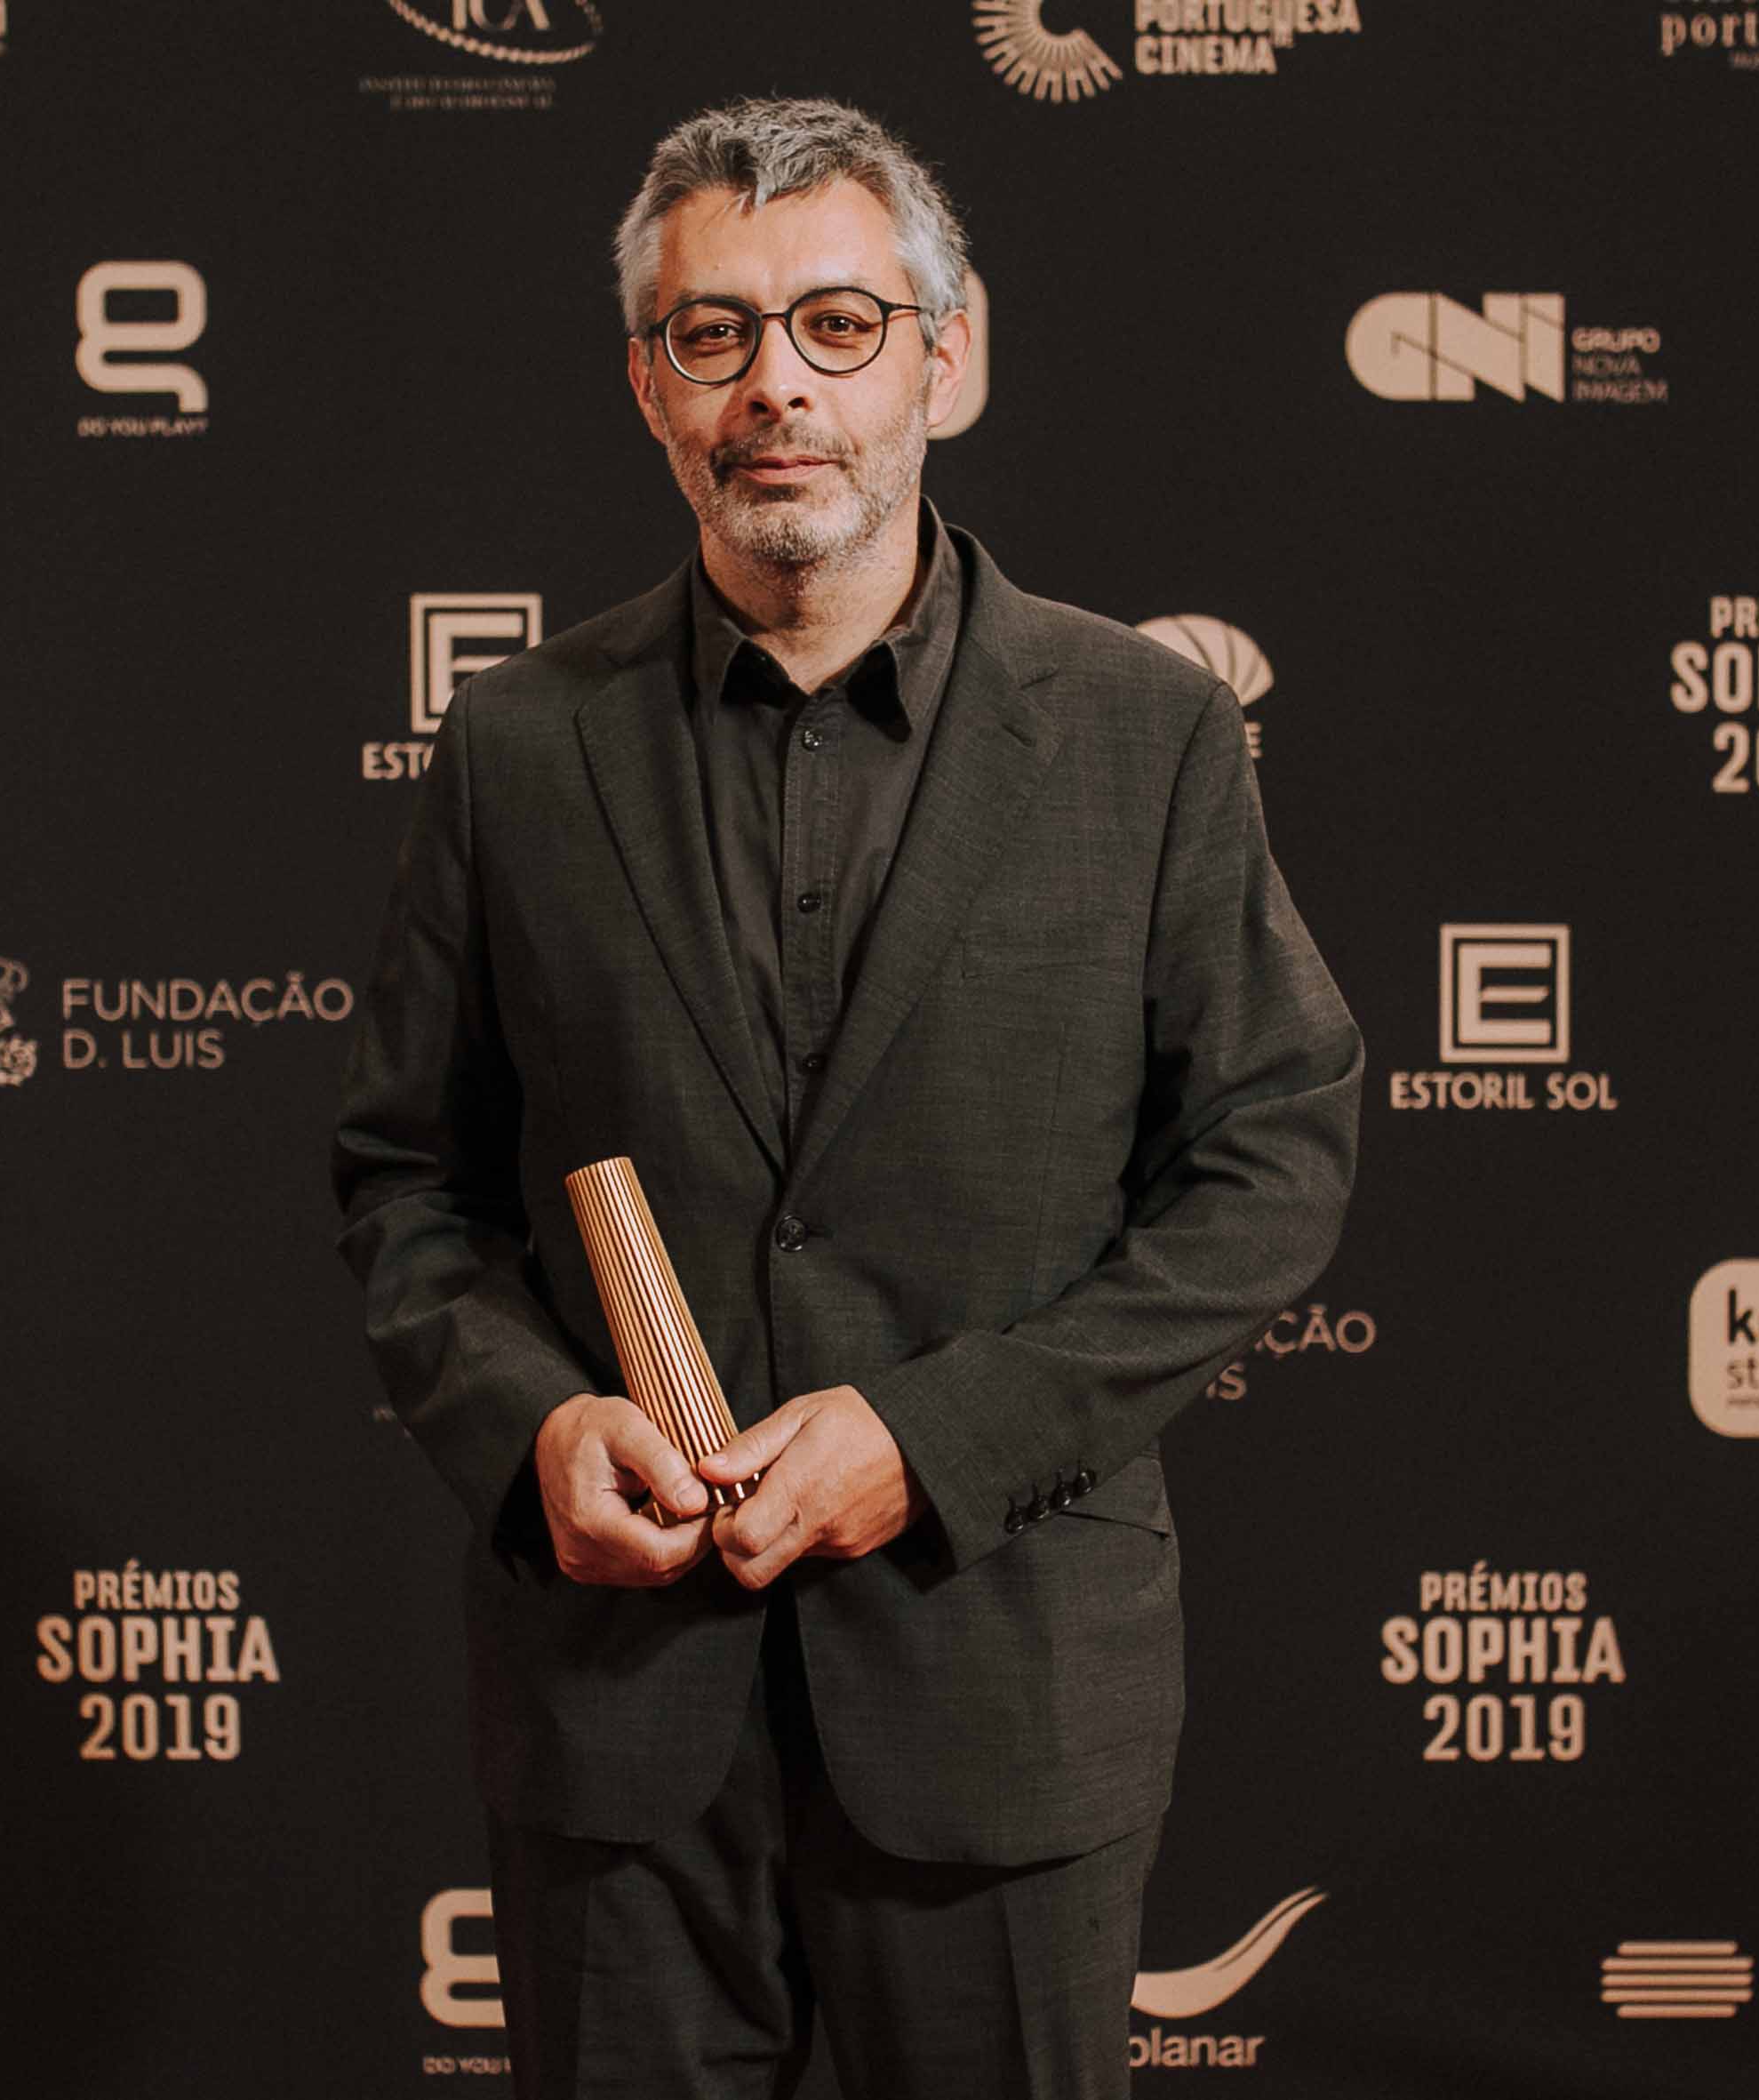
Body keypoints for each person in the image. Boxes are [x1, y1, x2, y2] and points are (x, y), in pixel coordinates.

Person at [333, 95, 1362, 2099]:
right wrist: (534, 1430)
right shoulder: (518, 745)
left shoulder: (1143, 732)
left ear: (944, 358)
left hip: (1001, 1694)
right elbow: (406, 1178)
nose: (775, 387)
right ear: (650, 384)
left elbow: (1271, 1157)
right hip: (618, 1721)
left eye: (835, 323)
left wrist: (933, 1437)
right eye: (712, 333)